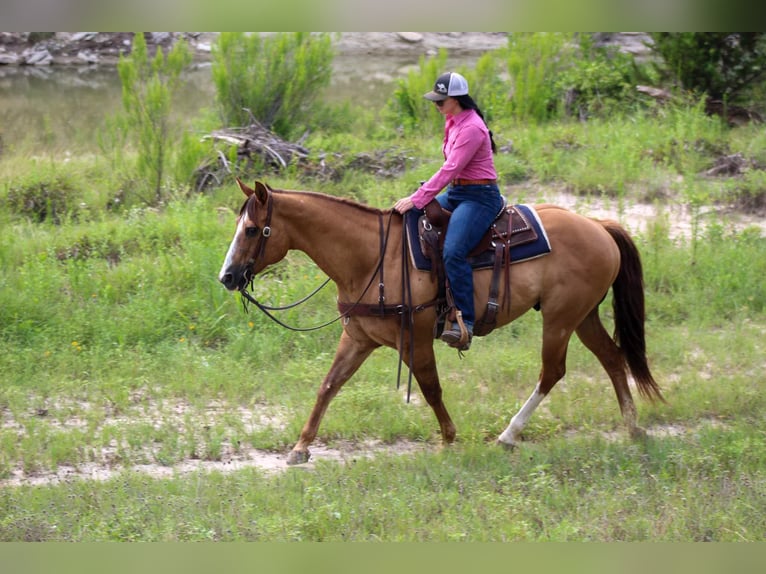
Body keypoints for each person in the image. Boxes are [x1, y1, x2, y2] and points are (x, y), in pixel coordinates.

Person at [394, 71, 503, 351]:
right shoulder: (452, 120)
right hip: (458, 192)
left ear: (456, 99)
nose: (437, 105)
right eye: (436, 100)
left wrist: (418, 197)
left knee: (454, 250)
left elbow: (450, 168)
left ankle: (464, 321)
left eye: (441, 100)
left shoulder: (472, 128)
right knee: (411, 219)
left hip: (479, 197)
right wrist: (418, 203)